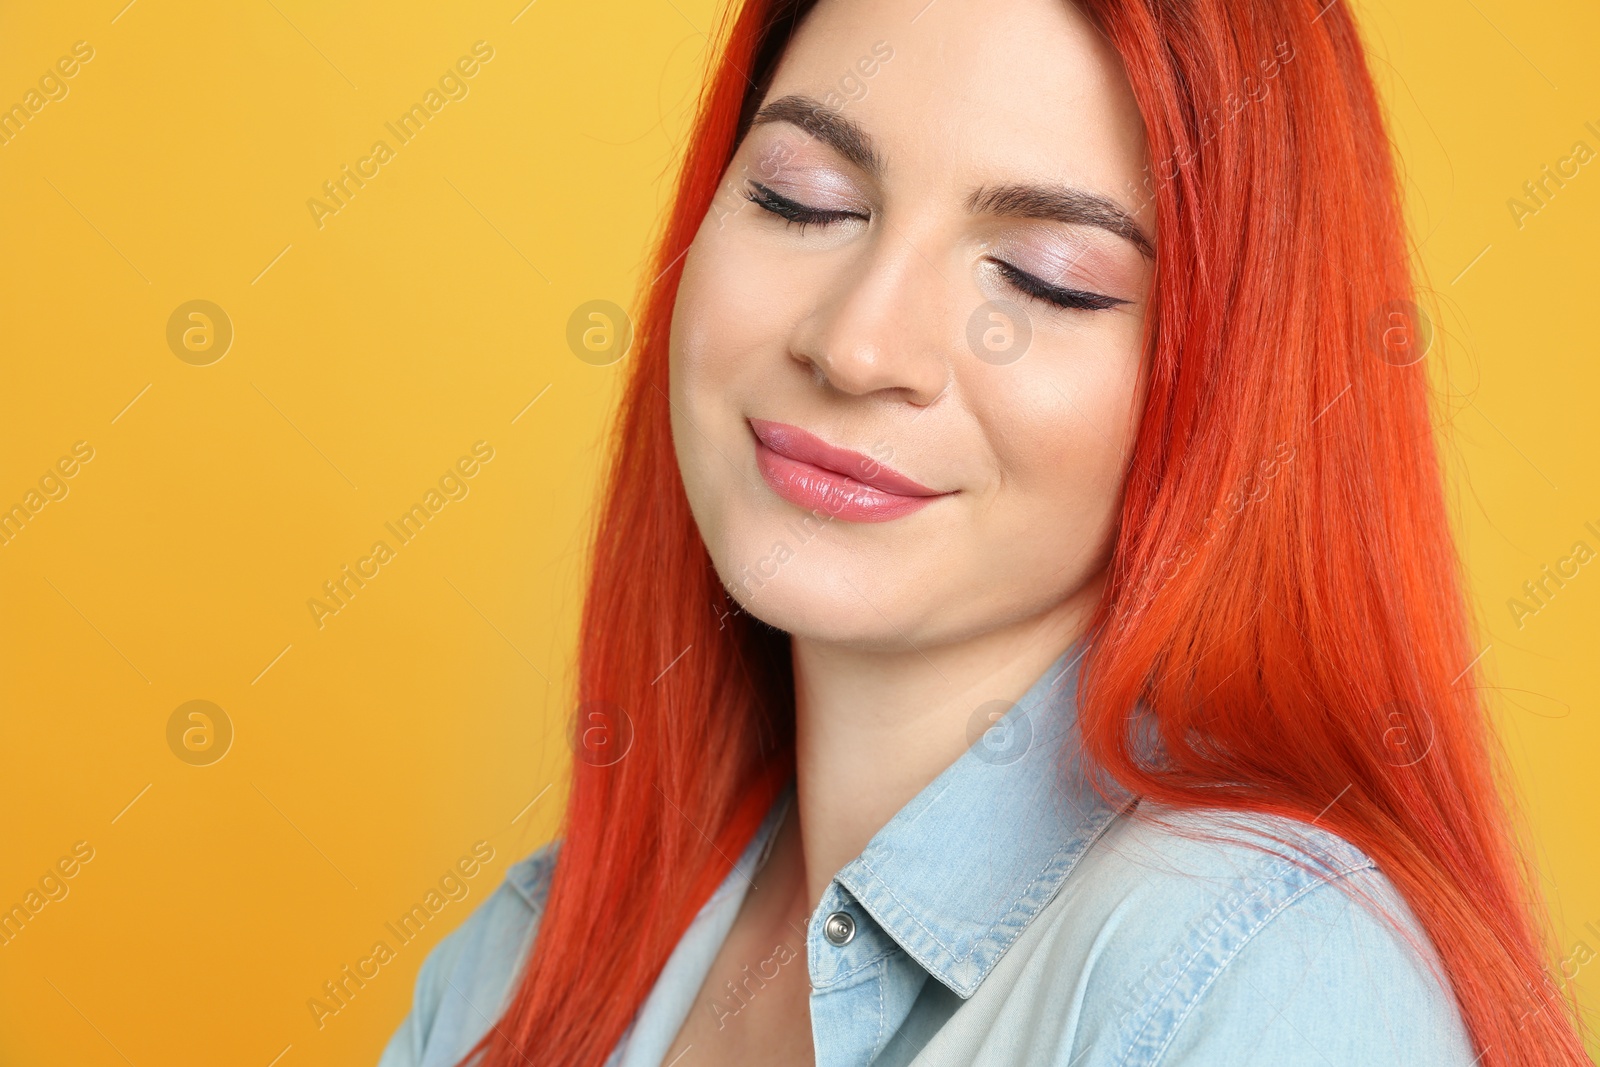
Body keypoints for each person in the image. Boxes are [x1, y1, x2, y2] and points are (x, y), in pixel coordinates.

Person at [378, 0, 1593, 1063]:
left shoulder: (1261, 971)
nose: (857, 345)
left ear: (1231, 377)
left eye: (1045, 277)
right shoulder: (515, 967)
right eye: (803, 200)